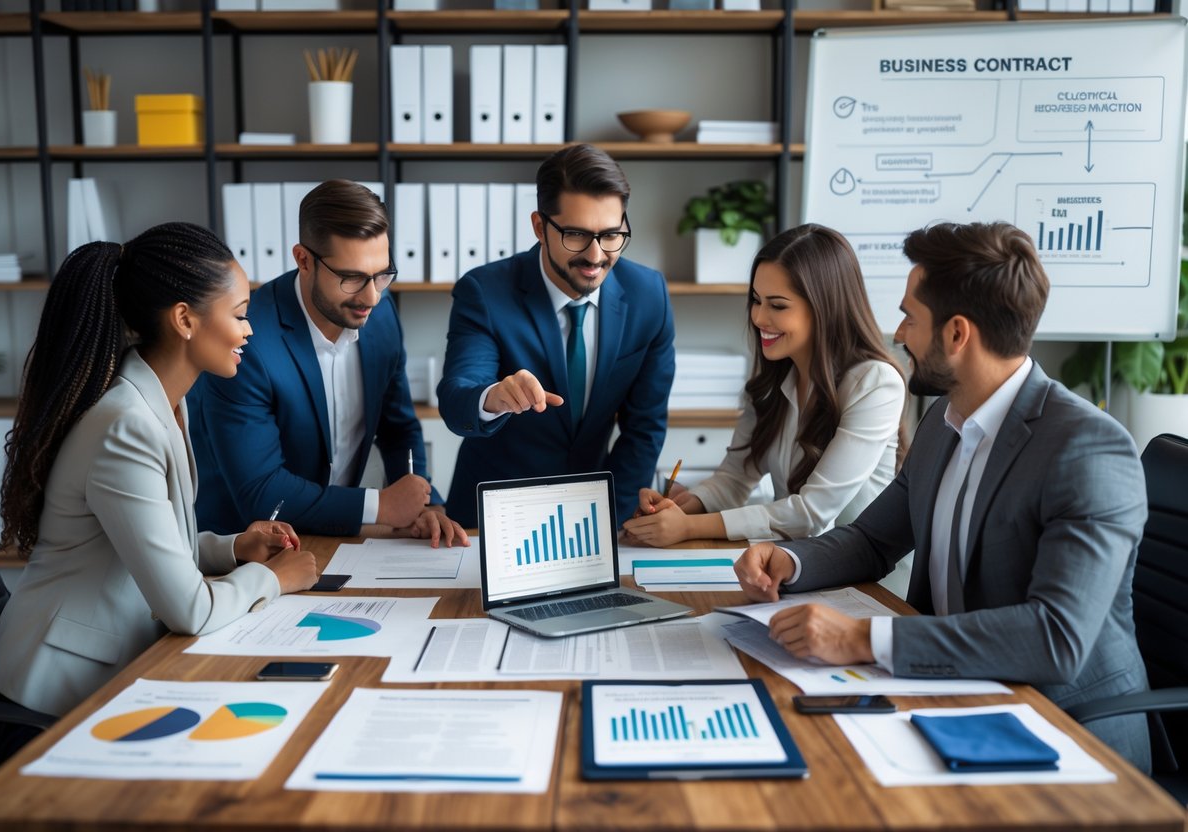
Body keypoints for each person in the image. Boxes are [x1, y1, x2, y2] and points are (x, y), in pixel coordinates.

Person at [733, 221, 1151, 771]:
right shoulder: (944, 423)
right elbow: (872, 539)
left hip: (1065, 732)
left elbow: (1054, 637)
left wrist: (866, 638)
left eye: (910, 316)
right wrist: (789, 559)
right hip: (951, 696)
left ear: (957, 334)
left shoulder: (1088, 449)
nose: (898, 332)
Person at [0, 223, 318, 717]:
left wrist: (233, 548)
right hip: (45, 697)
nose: (249, 330)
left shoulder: (161, 402)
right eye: (240, 315)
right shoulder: (125, 425)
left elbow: (149, 543)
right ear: (185, 319)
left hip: (110, 666)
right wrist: (273, 578)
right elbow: (190, 609)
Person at [188, 180, 467, 545]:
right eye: (351, 278)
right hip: (240, 549)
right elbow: (261, 490)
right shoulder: (246, 339)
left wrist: (425, 504)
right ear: (304, 259)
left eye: (382, 274)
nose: (371, 296)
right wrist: (381, 506)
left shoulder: (380, 318)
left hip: (335, 539)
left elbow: (399, 428)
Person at [622, 224, 906, 547]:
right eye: (756, 300)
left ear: (824, 308)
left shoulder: (876, 384)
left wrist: (689, 528)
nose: (758, 317)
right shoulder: (772, 384)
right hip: (798, 567)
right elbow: (733, 479)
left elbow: (811, 514)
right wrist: (682, 509)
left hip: (869, 584)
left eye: (778, 305)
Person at [437, 144, 675, 527]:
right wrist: (492, 398)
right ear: (539, 226)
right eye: (577, 235)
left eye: (612, 234)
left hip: (595, 517)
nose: (596, 256)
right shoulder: (484, 291)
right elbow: (456, 396)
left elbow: (645, 426)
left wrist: (609, 521)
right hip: (492, 521)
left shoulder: (650, 295)